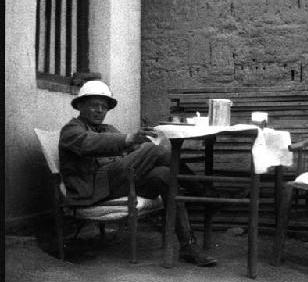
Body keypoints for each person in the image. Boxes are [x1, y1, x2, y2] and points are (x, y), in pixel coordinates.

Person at [59, 80, 217, 267]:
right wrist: (131, 140)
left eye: (104, 107)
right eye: (94, 106)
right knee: (154, 150)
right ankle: (206, 195)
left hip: (116, 184)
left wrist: (139, 144)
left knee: (165, 175)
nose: (100, 110)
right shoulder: (71, 130)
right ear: (80, 105)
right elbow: (93, 143)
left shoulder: (107, 129)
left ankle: (189, 246)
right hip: (91, 189)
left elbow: (126, 148)